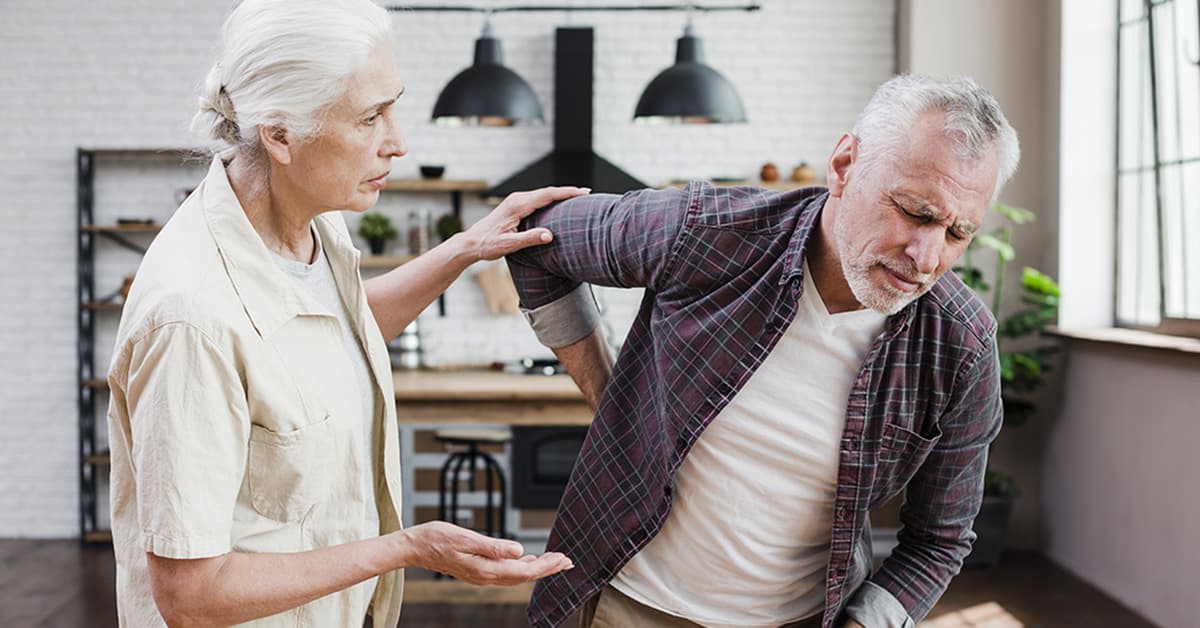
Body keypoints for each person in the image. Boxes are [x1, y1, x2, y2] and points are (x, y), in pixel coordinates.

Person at [105, 1, 582, 626]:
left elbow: (337, 333)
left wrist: (468, 247)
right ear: (279, 136)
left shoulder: (309, 222)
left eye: (393, 104)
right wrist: (406, 548)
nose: (398, 142)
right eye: (369, 118)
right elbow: (192, 595)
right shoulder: (191, 319)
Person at [506, 74, 1019, 628]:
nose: (926, 256)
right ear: (845, 165)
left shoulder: (960, 344)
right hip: (622, 604)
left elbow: (938, 541)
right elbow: (531, 238)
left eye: (957, 233)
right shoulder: (708, 231)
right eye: (915, 212)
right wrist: (607, 394)